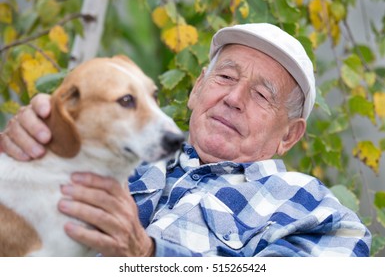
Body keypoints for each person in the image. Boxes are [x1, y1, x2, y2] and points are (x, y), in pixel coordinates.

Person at [0, 23, 371, 257]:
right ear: (197, 90)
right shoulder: (115, 150)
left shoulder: (317, 212)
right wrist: (32, 137)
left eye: (261, 95)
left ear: (289, 135)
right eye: (225, 77)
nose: (233, 98)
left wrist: (148, 257)